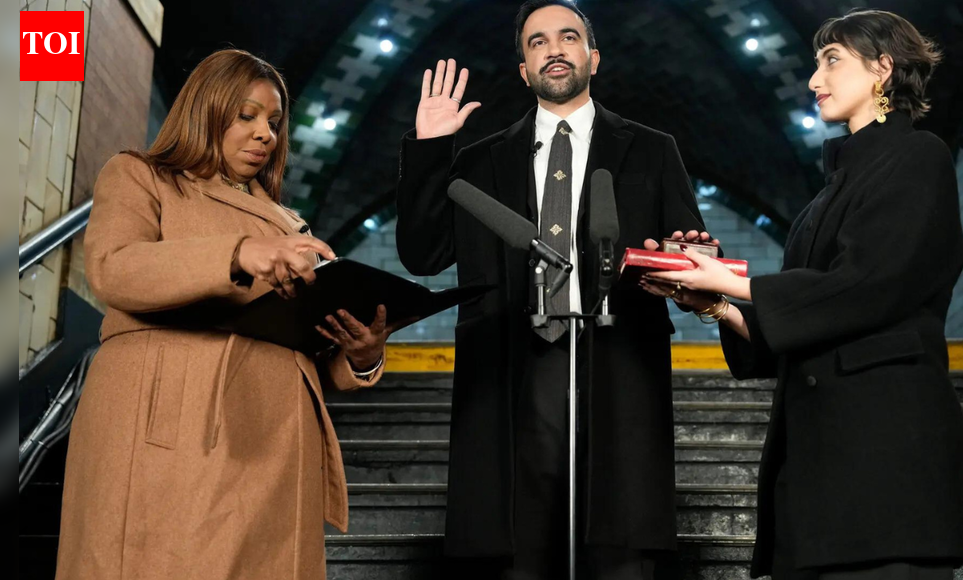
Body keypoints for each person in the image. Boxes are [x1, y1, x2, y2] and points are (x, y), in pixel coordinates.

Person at [643, 9, 963, 580]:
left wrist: (734, 282)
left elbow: (869, 285)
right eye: (816, 64)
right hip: (813, 474)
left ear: (883, 69)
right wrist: (714, 301)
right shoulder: (820, 202)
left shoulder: (920, 158)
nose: (814, 80)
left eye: (832, 61)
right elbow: (796, 328)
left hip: (887, 463)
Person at [395, 1, 714, 578]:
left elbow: (688, 251)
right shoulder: (476, 162)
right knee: (519, 551)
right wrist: (427, 148)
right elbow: (422, 254)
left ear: (593, 56)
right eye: (538, 42)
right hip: (512, 370)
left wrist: (693, 257)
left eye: (568, 37)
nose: (554, 49)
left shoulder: (651, 148)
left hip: (619, 366)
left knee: (620, 554)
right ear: (524, 68)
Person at [55, 49, 394, 580]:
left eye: (275, 122)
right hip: (173, 426)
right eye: (247, 115)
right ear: (205, 109)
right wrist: (236, 253)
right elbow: (113, 269)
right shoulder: (141, 177)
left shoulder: (292, 226)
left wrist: (360, 356)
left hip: (277, 442)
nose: (265, 134)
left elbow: (299, 343)